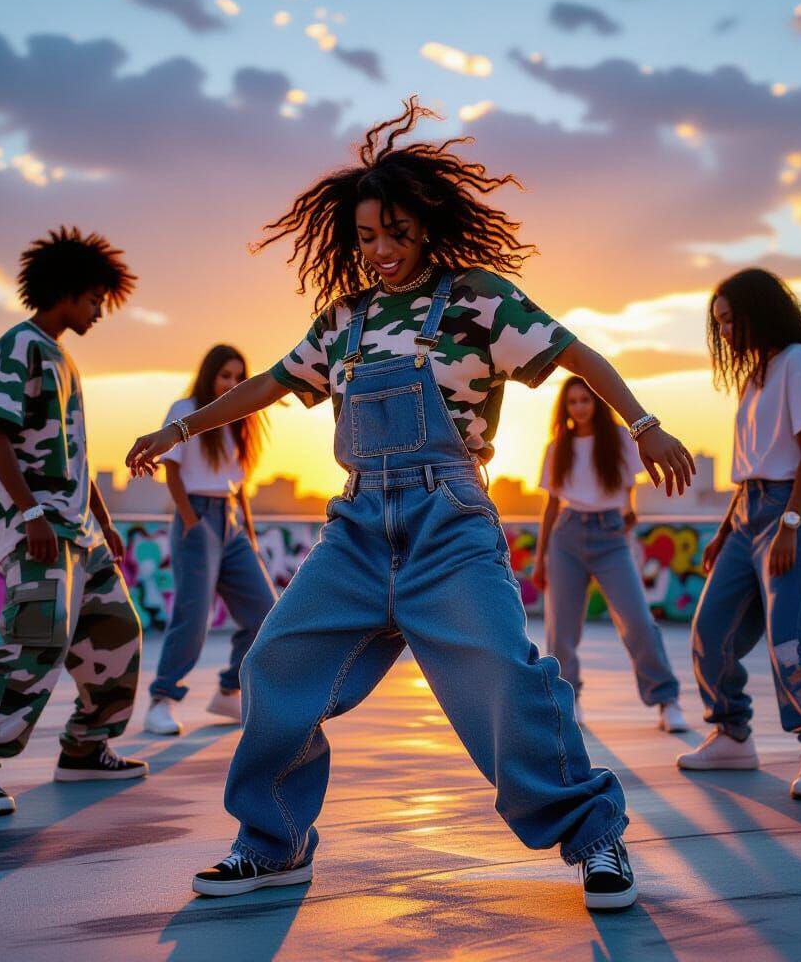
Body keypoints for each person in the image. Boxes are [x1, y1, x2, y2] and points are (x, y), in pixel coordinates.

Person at [126, 99, 695, 910]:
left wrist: (643, 424)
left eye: (394, 233)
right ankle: (274, 842)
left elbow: (576, 352)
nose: (380, 252)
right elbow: (270, 383)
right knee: (273, 664)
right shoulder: (345, 320)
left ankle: (595, 837)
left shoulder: (477, 299)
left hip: (448, 527)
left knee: (504, 680)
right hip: (356, 529)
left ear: (425, 224)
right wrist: (180, 426)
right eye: (365, 238)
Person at [0, 227, 147, 816]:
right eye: (95, 302)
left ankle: (85, 750)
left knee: (117, 634)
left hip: (79, 530)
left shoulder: (63, 357)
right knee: (37, 642)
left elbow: (74, 457)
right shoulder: (21, 347)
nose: (98, 314)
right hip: (36, 527)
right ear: (69, 292)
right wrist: (30, 510)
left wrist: (104, 522)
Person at [676, 268, 801, 800]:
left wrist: (791, 524)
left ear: (758, 310)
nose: (724, 332)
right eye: (719, 324)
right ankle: (731, 734)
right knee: (710, 631)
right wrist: (724, 528)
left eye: (730, 320)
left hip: (789, 508)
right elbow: (751, 463)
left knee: (790, 638)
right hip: (746, 511)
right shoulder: (756, 375)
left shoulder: (799, 361)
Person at [534, 376, 688, 732]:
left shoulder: (620, 439)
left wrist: (628, 512)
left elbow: (629, 487)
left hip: (610, 535)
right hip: (566, 537)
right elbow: (551, 505)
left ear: (596, 402)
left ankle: (667, 700)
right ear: (565, 408)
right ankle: (569, 702)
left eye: (585, 400)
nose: (579, 407)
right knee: (562, 632)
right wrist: (540, 557)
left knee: (637, 621)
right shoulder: (557, 447)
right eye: (572, 402)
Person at [144, 345, 277, 736]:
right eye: (225, 375)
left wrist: (247, 534)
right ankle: (162, 700)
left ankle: (228, 691)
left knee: (264, 612)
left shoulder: (239, 420)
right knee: (193, 617)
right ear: (209, 375)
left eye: (239, 377)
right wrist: (191, 521)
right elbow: (171, 471)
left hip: (231, 521)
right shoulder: (184, 409)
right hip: (196, 516)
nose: (232, 384)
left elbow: (238, 485)